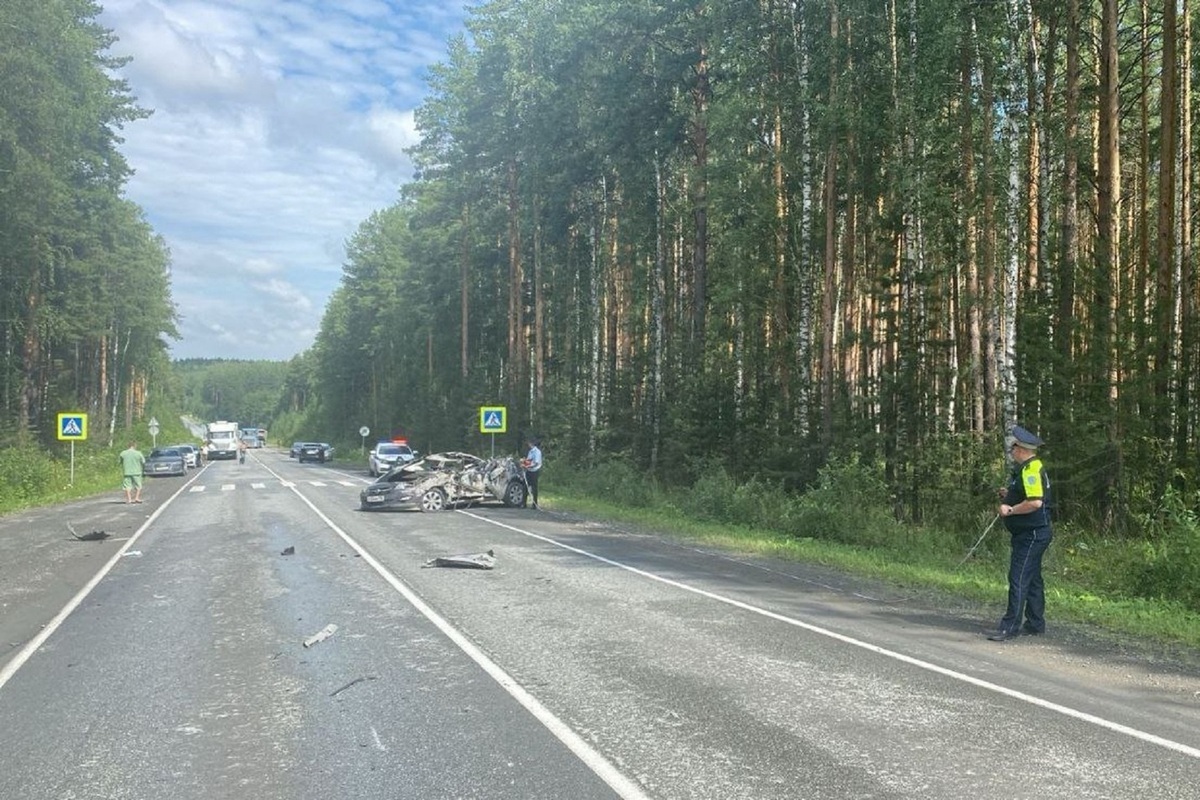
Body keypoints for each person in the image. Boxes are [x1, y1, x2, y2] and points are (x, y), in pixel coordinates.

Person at [987, 425, 1053, 641]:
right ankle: (1035, 623)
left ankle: (1009, 627)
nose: (1012, 451)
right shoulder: (1028, 468)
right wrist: (1010, 493)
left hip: (1032, 533)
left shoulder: (1031, 470)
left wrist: (1010, 509)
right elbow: (1028, 493)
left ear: (1022, 450)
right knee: (1032, 578)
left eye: (1014, 447)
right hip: (1031, 532)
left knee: (1019, 577)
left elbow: (1035, 502)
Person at [119, 440, 146, 504]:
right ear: (135, 446)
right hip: (137, 472)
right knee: (138, 486)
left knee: (127, 486)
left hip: (127, 472)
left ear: (128, 446)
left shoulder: (123, 453)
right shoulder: (138, 453)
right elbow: (143, 462)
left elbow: (120, 462)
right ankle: (136, 498)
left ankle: (129, 499)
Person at [521, 435, 543, 509]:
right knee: (525, 486)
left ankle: (535, 504)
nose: (528, 445)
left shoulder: (537, 452)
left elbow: (536, 463)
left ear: (531, 443)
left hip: (534, 471)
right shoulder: (530, 451)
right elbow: (529, 461)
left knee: (534, 488)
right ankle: (523, 503)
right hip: (529, 471)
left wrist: (527, 466)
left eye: (529, 443)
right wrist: (524, 462)